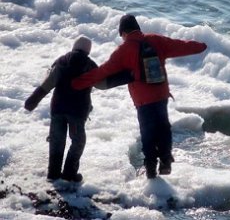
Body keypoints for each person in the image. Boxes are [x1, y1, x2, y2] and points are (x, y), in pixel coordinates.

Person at [72, 14, 207, 179]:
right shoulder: (156, 40)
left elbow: (103, 71)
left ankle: (150, 169)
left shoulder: (123, 50)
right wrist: (201, 46)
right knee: (163, 126)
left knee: (147, 132)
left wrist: (78, 83)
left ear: (123, 32)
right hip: (161, 94)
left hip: (143, 100)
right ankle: (165, 161)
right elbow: (181, 45)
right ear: (137, 28)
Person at [24, 36, 133, 182]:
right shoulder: (89, 65)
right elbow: (102, 84)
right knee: (78, 141)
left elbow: (46, 84)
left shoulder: (61, 62)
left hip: (58, 109)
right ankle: (69, 173)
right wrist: (128, 76)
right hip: (76, 112)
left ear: (74, 46)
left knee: (56, 140)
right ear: (88, 50)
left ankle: (53, 174)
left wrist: (32, 101)